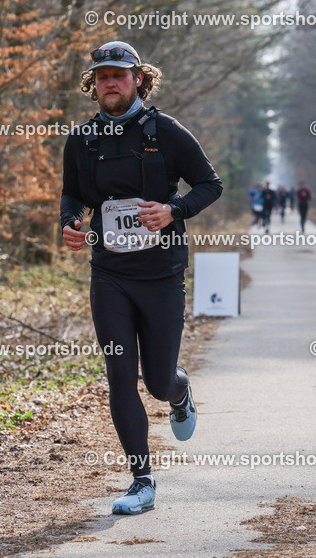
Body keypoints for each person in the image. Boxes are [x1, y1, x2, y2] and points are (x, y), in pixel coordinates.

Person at [60, 41, 222, 515]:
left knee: (156, 381)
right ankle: (142, 481)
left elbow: (210, 185)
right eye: (103, 76)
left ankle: (180, 389)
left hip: (163, 272)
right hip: (109, 273)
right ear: (94, 85)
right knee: (119, 377)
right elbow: (72, 195)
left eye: (120, 74)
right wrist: (68, 224)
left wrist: (172, 210)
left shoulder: (166, 132)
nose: (111, 82)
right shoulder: (82, 140)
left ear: (138, 80)